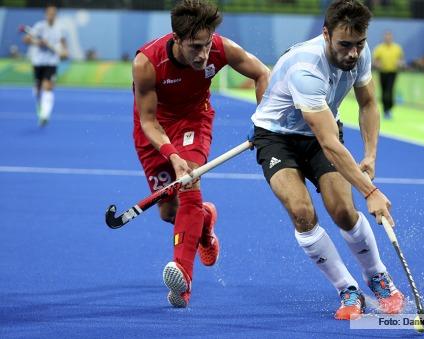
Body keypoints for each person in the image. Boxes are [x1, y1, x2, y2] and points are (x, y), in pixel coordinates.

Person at [251, 0, 404, 320]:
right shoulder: (306, 68)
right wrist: (371, 191)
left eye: (359, 44)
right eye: (344, 44)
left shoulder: (360, 55)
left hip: (322, 132)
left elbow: (368, 104)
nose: (352, 52)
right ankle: (347, 289)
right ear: (326, 34)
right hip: (277, 138)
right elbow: (328, 142)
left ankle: (377, 275)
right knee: (302, 212)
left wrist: (370, 156)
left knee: (344, 212)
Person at [132, 0, 269, 308]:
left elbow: (263, 74)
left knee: (189, 181)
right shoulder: (147, 63)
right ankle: (205, 223)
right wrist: (171, 153)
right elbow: (148, 120)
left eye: (206, 45)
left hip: (195, 119)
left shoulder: (221, 48)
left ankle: (183, 278)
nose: (203, 54)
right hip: (155, 130)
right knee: (170, 212)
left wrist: (264, 121)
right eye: (195, 47)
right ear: (176, 39)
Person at [22, 4, 68, 127]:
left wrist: (64, 52)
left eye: (54, 13)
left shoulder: (60, 29)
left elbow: (64, 48)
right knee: (38, 90)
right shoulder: (39, 26)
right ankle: (40, 104)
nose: (51, 15)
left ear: (56, 15)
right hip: (38, 61)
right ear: (46, 14)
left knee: (48, 86)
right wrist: (38, 42)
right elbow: (26, 40)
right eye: (49, 13)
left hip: (52, 62)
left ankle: (45, 115)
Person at [373, 31, 404, 119]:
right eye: (386, 37)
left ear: (392, 38)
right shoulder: (379, 48)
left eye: (389, 37)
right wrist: (377, 64)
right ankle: (385, 109)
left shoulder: (397, 48)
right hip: (383, 72)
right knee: (384, 91)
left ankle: (389, 107)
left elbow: (401, 59)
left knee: (390, 90)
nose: (388, 38)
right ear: (384, 38)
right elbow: (376, 60)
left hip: (392, 72)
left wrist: (400, 63)